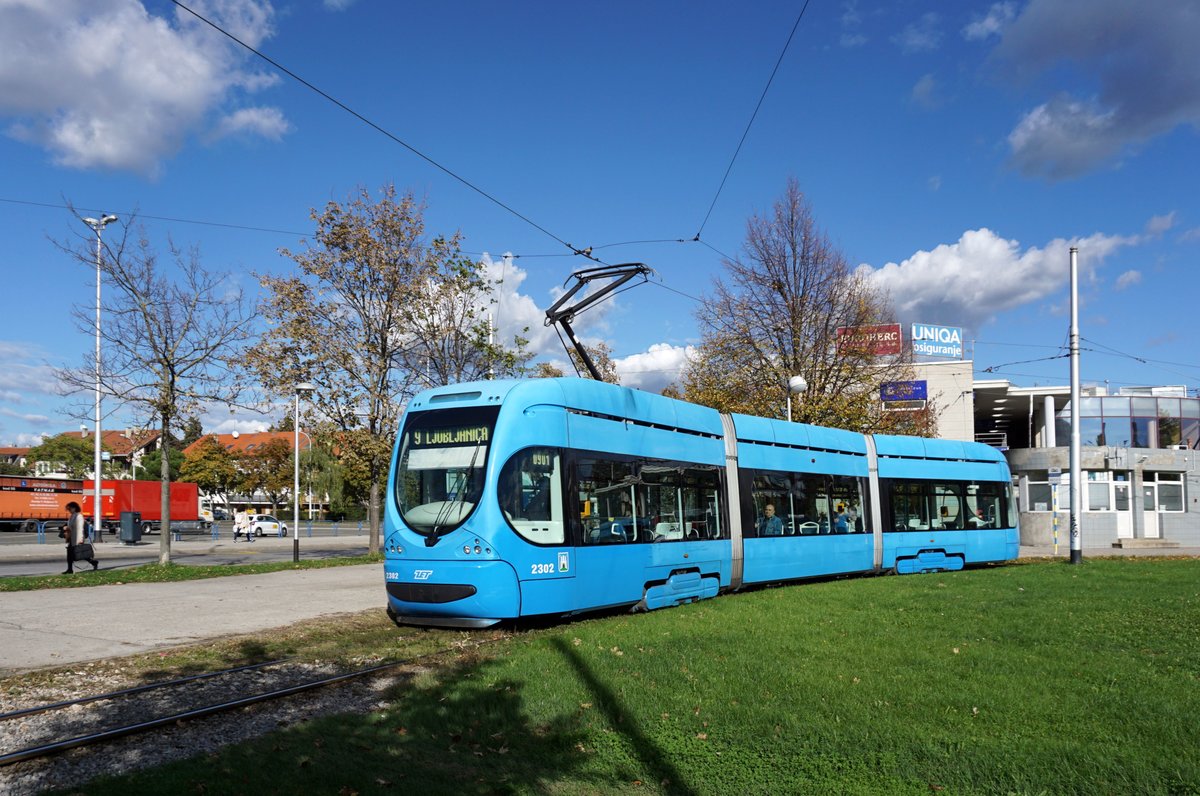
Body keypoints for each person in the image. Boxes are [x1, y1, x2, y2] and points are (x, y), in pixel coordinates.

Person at [62, 501, 98, 574]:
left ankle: (93, 562)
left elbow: (80, 528)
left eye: (70, 509)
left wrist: (81, 539)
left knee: (80, 553)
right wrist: (67, 528)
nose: (69, 510)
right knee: (70, 553)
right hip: (72, 538)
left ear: (74, 508)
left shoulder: (79, 516)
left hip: (77, 538)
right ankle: (70, 569)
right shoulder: (72, 516)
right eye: (68, 509)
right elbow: (71, 526)